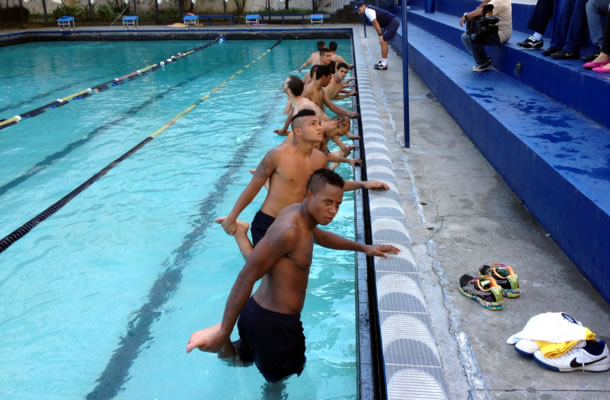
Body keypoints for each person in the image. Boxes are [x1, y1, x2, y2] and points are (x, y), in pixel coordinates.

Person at [186, 169, 400, 383]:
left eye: (337, 205)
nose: (333, 210)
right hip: (275, 325)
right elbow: (246, 276)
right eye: (327, 202)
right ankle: (220, 338)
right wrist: (225, 329)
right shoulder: (289, 231)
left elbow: (322, 237)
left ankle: (223, 341)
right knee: (278, 384)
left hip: (260, 317)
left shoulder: (299, 215)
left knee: (245, 360)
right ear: (309, 195)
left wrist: (364, 247)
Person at [221, 109, 389, 244]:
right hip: (270, 222)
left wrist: (364, 184)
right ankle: (241, 234)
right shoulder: (276, 156)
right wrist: (231, 218)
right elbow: (251, 189)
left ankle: (242, 234)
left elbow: (334, 185)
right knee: (268, 275)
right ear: (298, 131)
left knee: (287, 276)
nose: (319, 127)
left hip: (298, 223)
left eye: (319, 123)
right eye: (313, 124)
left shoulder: (320, 158)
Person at [459, 0, 512, 72]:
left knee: (472, 37)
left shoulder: (501, 0)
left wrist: (466, 16)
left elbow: (482, 11)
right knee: (465, 36)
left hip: (500, 33)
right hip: (492, 29)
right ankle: (483, 59)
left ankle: (483, 63)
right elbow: (482, 7)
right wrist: (482, 4)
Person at [355, 1, 401, 70]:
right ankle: (383, 61)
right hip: (390, 23)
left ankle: (384, 64)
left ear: (363, 6)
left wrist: (380, 35)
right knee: (382, 41)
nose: (359, 12)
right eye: (357, 11)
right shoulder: (368, 8)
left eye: (359, 10)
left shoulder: (368, 11)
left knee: (383, 40)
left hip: (393, 22)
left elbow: (375, 23)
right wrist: (380, 35)